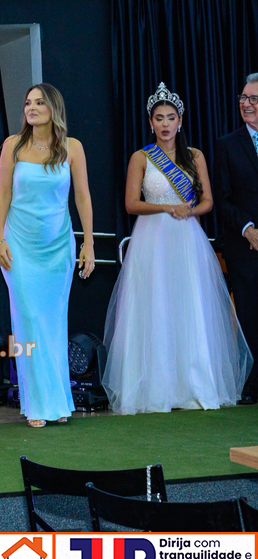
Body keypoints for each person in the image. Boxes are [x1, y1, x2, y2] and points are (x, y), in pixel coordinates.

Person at [102, 83, 252, 414]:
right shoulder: (141, 157)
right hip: (151, 240)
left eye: (171, 118)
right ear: (151, 123)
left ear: (180, 121)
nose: (165, 124)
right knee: (154, 306)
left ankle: (192, 385)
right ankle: (156, 388)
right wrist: (167, 208)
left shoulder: (195, 156)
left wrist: (190, 211)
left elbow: (208, 201)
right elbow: (131, 204)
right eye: (159, 118)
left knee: (189, 306)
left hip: (186, 238)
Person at [0, 83, 95, 428]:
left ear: (54, 108)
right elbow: (3, 193)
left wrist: (89, 242)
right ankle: (37, 404)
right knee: (29, 320)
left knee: (52, 323)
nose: (31, 108)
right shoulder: (13, 145)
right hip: (19, 245)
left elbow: (82, 196)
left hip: (57, 247)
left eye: (39, 102)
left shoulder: (72, 147)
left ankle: (58, 401)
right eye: (27, 103)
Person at [213, 73, 258, 405]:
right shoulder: (227, 145)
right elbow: (222, 198)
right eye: (243, 98)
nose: (247, 104)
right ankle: (252, 385)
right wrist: (248, 229)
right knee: (250, 316)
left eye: (254, 99)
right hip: (244, 247)